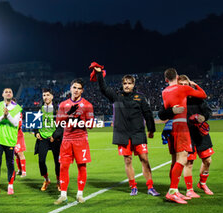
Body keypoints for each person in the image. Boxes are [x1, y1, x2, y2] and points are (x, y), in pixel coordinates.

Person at [91, 63, 159, 196]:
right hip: (122, 134)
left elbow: (148, 113)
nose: (127, 85)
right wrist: (99, 74)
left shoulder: (140, 97)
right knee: (127, 160)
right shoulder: (116, 96)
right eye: (125, 83)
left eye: (129, 83)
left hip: (138, 133)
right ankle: (133, 186)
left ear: (133, 85)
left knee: (144, 159)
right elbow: (103, 88)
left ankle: (150, 187)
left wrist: (151, 129)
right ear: (122, 84)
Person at [159, 75, 214, 198]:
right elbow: (162, 113)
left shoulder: (197, 98)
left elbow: (208, 111)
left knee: (208, 160)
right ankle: (189, 189)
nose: (184, 87)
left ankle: (202, 183)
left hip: (200, 133)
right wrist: (172, 111)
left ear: (190, 85)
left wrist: (203, 117)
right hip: (186, 134)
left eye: (186, 85)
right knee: (188, 162)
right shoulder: (175, 97)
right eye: (181, 84)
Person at [54, 78, 94, 205]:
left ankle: (80, 194)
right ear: (70, 88)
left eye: (79, 88)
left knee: (81, 166)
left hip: (81, 139)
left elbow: (91, 124)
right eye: (74, 87)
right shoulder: (63, 104)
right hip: (66, 139)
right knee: (63, 166)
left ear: (82, 90)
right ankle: (63, 195)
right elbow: (58, 122)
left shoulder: (87, 105)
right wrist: (69, 115)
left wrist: (79, 121)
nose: (76, 90)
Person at [0, 88, 22, 196]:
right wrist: (2, 117)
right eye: (6, 92)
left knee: (10, 164)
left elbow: (15, 123)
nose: (8, 93)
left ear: (12, 95)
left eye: (10, 92)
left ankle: (10, 186)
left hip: (10, 139)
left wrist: (7, 115)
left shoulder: (17, 108)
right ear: (2, 94)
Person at [34, 88, 63, 191]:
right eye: (44, 95)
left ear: (52, 96)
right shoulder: (39, 109)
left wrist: (54, 136)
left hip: (55, 139)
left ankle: (59, 181)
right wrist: (37, 133)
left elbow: (62, 126)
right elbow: (35, 123)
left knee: (58, 162)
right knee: (41, 161)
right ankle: (46, 179)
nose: (46, 97)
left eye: (47, 95)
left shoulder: (57, 109)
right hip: (43, 138)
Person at [15, 112, 27, 177]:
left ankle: (24, 171)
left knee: (20, 153)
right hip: (11, 135)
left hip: (18, 135)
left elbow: (19, 124)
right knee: (16, 154)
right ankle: (20, 170)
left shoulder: (18, 112)